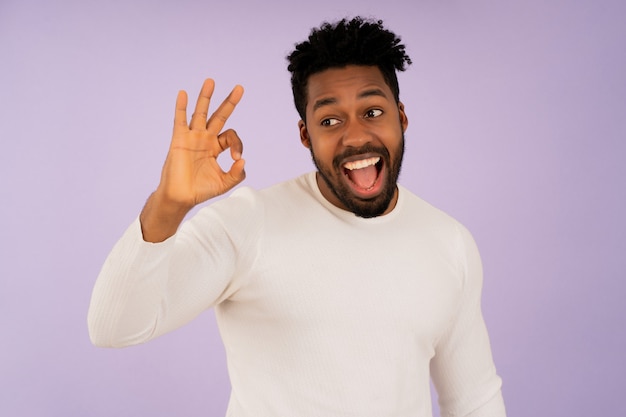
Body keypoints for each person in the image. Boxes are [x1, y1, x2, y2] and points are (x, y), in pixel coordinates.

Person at [88, 16, 506, 417]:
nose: (356, 135)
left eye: (373, 112)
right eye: (329, 119)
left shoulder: (449, 243)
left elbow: (473, 402)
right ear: (306, 134)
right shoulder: (249, 223)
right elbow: (114, 328)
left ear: (402, 116)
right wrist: (169, 203)